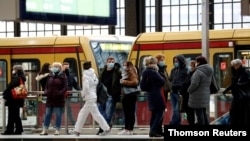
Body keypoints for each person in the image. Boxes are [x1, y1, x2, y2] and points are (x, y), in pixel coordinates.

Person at [70, 61, 111, 136]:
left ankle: (106, 128)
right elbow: (96, 84)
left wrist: (82, 94)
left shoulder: (85, 75)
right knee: (82, 114)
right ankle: (77, 130)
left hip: (89, 97)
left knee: (96, 115)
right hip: (93, 96)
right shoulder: (93, 74)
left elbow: (86, 87)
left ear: (83, 67)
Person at [140, 56, 165, 137]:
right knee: (160, 112)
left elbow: (142, 86)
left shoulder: (145, 71)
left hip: (150, 94)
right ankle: (154, 130)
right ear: (154, 63)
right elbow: (162, 81)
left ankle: (156, 130)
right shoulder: (154, 72)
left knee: (154, 113)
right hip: (156, 94)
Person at [40, 62, 68, 135]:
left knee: (58, 114)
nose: (54, 68)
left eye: (56, 66)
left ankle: (57, 130)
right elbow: (46, 86)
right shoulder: (50, 75)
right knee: (48, 114)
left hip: (59, 98)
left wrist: (59, 93)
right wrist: (46, 91)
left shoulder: (63, 76)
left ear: (59, 68)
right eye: (53, 66)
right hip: (50, 98)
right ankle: (45, 129)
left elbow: (65, 87)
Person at [96, 56, 122, 135]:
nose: (111, 63)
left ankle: (102, 128)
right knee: (100, 112)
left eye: (112, 61)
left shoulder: (117, 72)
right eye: (109, 61)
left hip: (111, 95)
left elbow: (120, 83)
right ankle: (106, 126)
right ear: (106, 62)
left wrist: (117, 93)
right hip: (102, 95)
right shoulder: (102, 71)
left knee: (108, 113)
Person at [223, 59, 250, 126]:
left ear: (239, 65)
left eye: (235, 66)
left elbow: (248, 82)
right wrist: (227, 89)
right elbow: (234, 83)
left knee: (242, 112)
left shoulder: (246, 72)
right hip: (237, 95)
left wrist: (240, 84)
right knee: (234, 111)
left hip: (243, 96)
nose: (234, 67)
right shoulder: (236, 72)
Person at [187, 56, 213, 125]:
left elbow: (194, 84)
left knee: (199, 113)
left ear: (199, 62)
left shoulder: (198, 72)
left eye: (196, 62)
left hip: (197, 96)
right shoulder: (209, 70)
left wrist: (189, 90)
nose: (196, 63)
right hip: (205, 94)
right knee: (203, 112)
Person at [2, 65, 26, 135]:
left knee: (13, 115)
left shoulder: (17, 78)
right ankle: (13, 129)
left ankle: (15, 130)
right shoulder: (21, 77)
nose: (12, 71)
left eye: (13, 69)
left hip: (13, 99)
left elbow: (10, 86)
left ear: (16, 70)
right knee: (14, 115)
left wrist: (4, 94)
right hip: (17, 98)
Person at [118, 61, 139, 135]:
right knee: (130, 113)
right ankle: (129, 129)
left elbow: (135, 82)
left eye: (125, 65)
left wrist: (123, 82)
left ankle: (128, 129)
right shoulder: (127, 72)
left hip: (129, 95)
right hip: (129, 95)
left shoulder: (130, 71)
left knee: (128, 113)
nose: (123, 66)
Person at [169, 54, 189, 125]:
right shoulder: (173, 70)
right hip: (172, 93)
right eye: (174, 61)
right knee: (175, 110)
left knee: (176, 110)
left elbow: (186, 81)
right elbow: (170, 79)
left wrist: (178, 86)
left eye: (177, 61)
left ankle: (172, 124)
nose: (175, 63)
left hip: (180, 93)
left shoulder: (186, 70)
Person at [179, 60, 196, 125]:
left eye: (191, 66)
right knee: (189, 113)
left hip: (190, 96)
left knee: (191, 113)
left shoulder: (194, 75)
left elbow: (188, 84)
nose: (190, 67)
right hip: (186, 96)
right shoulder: (189, 74)